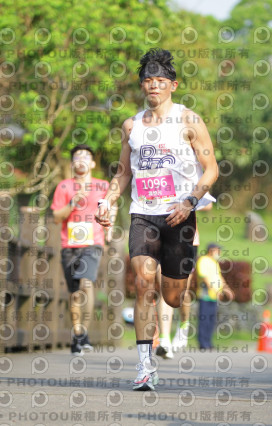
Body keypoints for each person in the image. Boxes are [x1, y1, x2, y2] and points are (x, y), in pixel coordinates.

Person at [95, 48, 218, 391]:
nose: (154, 86)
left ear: (173, 86)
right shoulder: (131, 126)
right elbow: (123, 173)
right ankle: (145, 366)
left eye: (160, 81)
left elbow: (212, 169)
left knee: (173, 295)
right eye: (148, 80)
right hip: (143, 214)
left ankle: (174, 306)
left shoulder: (190, 121)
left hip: (180, 216)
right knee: (144, 285)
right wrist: (108, 199)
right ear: (142, 85)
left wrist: (192, 200)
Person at [51, 144, 114, 356]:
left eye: (86, 156)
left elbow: (110, 209)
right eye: (77, 157)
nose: (82, 160)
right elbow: (56, 216)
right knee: (75, 291)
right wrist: (72, 203)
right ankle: (78, 333)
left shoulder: (103, 186)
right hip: (69, 245)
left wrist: (109, 229)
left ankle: (83, 330)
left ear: (93, 163)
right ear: (72, 164)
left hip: (92, 243)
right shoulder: (63, 187)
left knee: (87, 283)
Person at [155, 203, 212, 360]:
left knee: (182, 293)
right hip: (161, 236)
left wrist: (186, 203)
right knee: (164, 289)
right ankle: (164, 340)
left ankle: (183, 325)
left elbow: (208, 204)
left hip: (187, 238)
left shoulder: (191, 178)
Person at [196, 243, 233, 350]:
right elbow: (204, 277)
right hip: (205, 294)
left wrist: (226, 289)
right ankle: (203, 343)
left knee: (211, 320)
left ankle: (208, 342)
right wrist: (213, 290)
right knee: (204, 320)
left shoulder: (214, 262)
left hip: (214, 295)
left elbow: (219, 277)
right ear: (211, 250)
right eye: (218, 250)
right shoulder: (203, 260)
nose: (219, 253)